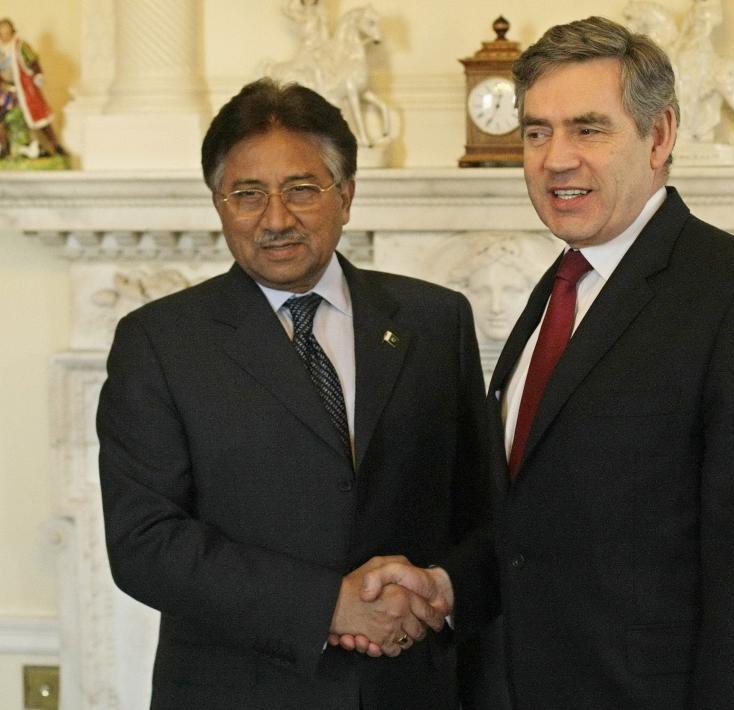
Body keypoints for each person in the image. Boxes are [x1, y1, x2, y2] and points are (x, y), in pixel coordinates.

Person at [355, 16, 734, 709]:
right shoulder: (558, 291)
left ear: (659, 135)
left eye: (587, 128)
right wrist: (450, 587)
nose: (555, 158)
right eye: (536, 132)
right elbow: (536, 524)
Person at [97, 77, 493, 709]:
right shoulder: (160, 342)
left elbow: (484, 511)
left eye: (302, 190)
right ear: (218, 203)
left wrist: (438, 589)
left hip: (411, 685)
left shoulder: (435, 321)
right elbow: (145, 542)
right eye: (247, 194)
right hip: (237, 691)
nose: (276, 219)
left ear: (348, 196)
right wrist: (327, 607)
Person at [0, 18, 67, 158]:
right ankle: (4, 148)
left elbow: (33, 62)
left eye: (6, 30)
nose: (4, 33)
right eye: (1, 31)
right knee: (3, 118)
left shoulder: (20, 46)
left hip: (24, 89)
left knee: (38, 117)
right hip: (6, 90)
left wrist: (37, 75)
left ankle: (55, 146)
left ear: (12, 30)